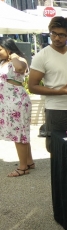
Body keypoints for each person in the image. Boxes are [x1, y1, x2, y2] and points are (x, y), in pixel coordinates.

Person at [28, 16, 67, 153]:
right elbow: (32, 86)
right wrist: (59, 92)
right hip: (57, 111)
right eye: (53, 33)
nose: (57, 38)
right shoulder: (42, 56)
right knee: (58, 151)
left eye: (62, 35)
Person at [0, 38, 34, 177]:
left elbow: (20, 68)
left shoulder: (20, 60)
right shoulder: (3, 63)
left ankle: (23, 167)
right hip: (7, 102)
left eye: (0, 49)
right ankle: (29, 161)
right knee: (21, 132)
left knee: (19, 134)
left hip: (17, 101)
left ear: (8, 48)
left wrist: (13, 55)